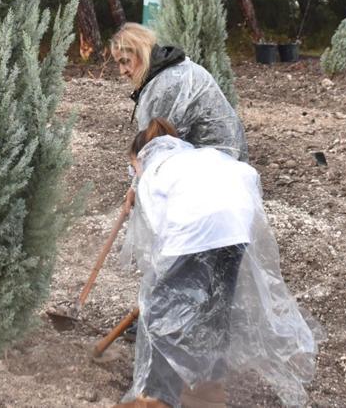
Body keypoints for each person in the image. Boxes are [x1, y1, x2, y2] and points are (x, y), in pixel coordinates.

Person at [116, 118, 318, 408]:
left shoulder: (152, 173)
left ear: (141, 158)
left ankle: (155, 398)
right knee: (214, 310)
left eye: (132, 168)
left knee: (161, 313)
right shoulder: (197, 158)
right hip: (236, 228)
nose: (133, 174)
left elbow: (160, 241)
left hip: (196, 229)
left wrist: (161, 287)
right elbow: (246, 180)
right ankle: (208, 394)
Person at [110, 23, 247, 162]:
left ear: (142, 52)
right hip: (222, 156)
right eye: (119, 63)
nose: (122, 71)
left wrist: (139, 182)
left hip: (218, 165)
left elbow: (156, 148)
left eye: (125, 61)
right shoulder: (167, 73)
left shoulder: (167, 84)